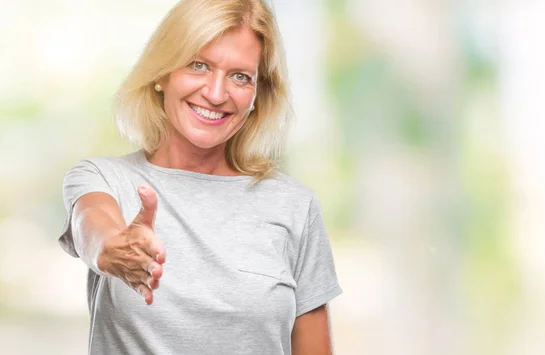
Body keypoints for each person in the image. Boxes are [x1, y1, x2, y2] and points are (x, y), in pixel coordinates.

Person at [57, 0, 342, 354]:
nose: (216, 93)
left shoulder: (294, 206)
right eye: (198, 65)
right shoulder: (104, 178)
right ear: (162, 73)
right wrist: (112, 249)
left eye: (240, 76)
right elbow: (93, 226)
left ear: (257, 94)